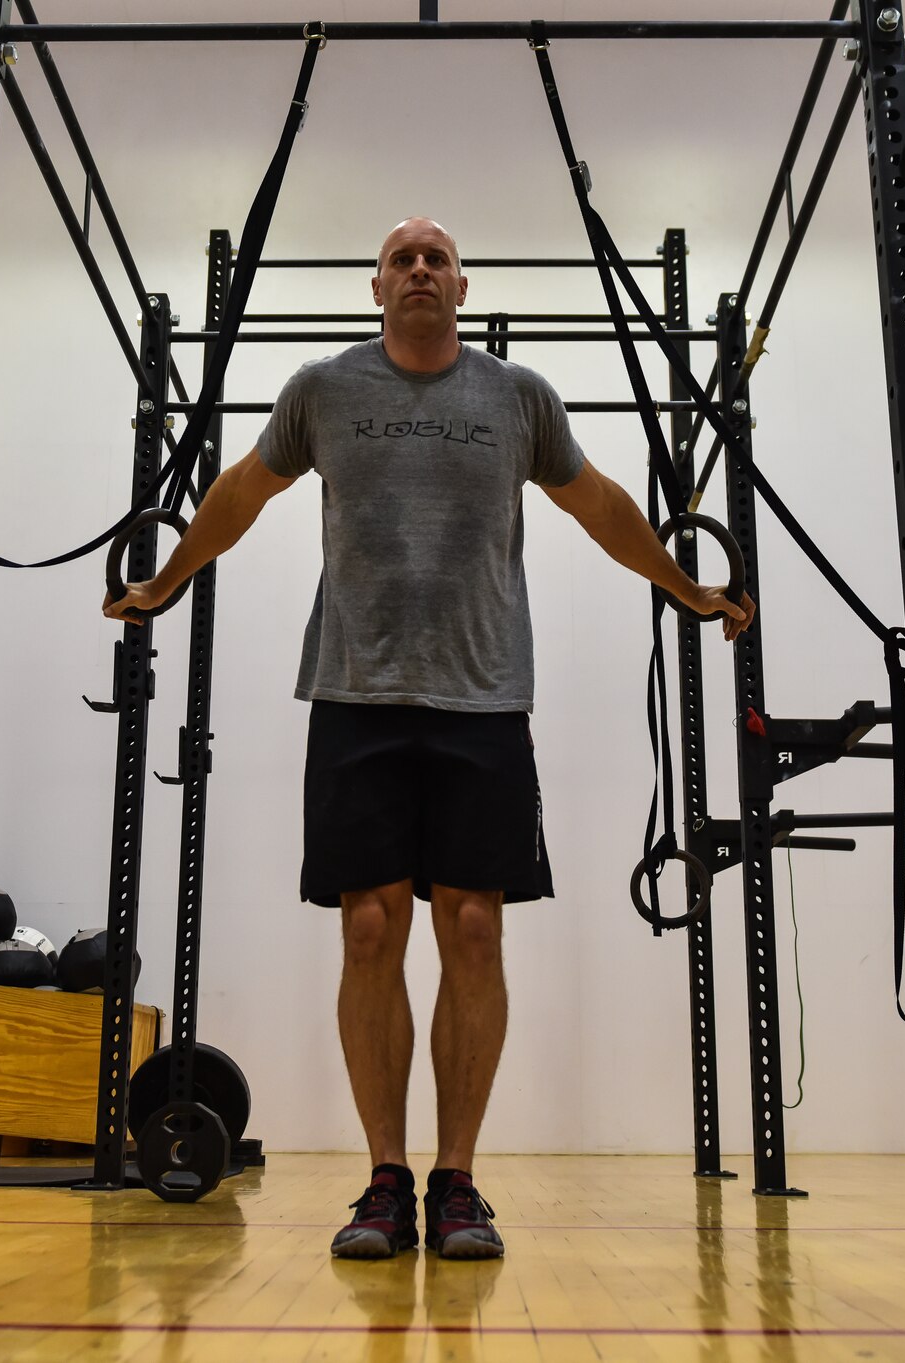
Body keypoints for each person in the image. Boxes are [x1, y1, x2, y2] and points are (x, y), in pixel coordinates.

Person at [104, 217, 753, 1260]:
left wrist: (685, 587)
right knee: (368, 931)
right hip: (354, 695)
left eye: (434, 258)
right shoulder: (322, 390)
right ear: (376, 286)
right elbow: (240, 493)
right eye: (400, 258)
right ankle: (383, 1179)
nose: (417, 269)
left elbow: (599, 505)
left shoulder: (517, 397)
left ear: (460, 285)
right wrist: (166, 580)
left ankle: (455, 1180)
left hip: (482, 704)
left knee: (475, 930)